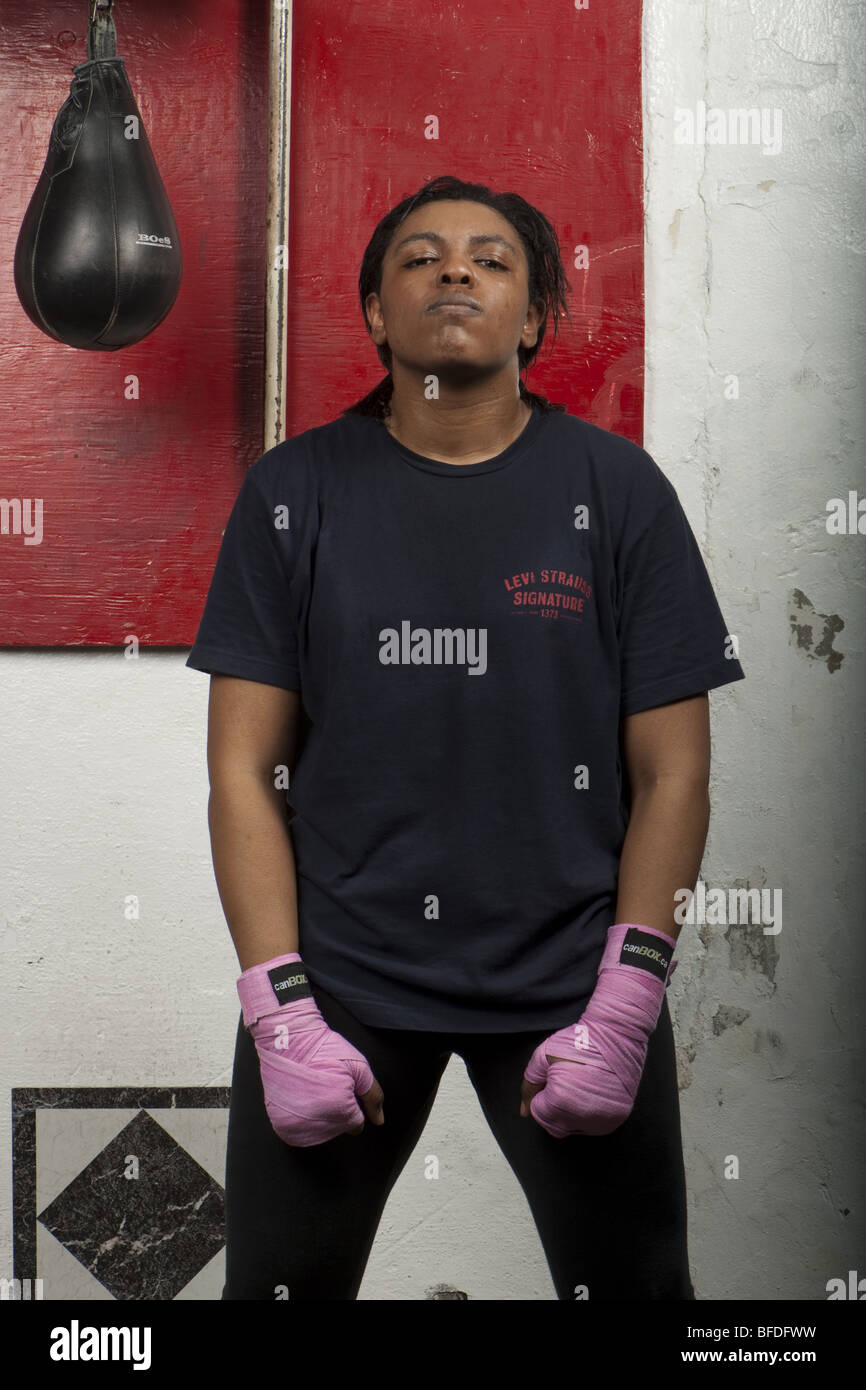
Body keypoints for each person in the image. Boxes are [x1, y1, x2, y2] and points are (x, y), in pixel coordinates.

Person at [186, 174, 745, 1301]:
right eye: (420, 257)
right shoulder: (294, 493)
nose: (455, 271)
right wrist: (279, 1009)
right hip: (339, 985)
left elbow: (672, 772)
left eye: (491, 260)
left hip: (567, 986)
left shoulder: (618, 493)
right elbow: (242, 770)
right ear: (374, 315)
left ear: (534, 318)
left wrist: (627, 998)